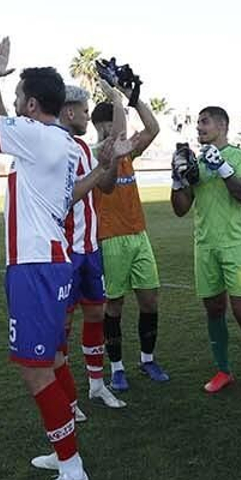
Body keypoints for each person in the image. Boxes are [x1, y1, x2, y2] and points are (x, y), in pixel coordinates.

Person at [0, 25, 120, 480]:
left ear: (31, 106)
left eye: (19, 97)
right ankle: (63, 442)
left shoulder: (36, 139)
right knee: (48, 363)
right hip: (47, 260)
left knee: (34, 370)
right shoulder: (57, 143)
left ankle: (73, 471)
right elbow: (64, 192)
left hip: (35, 266)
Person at [171, 106, 241, 397]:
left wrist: (223, 167)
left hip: (236, 245)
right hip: (205, 246)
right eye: (197, 123)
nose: (199, 127)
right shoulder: (197, 162)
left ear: (222, 125)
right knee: (214, 309)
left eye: (204, 122)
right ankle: (223, 370)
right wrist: (177, 178)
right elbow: (180, 209)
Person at [90, 86, 168, 390]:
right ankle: (117, 367)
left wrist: (131, 98)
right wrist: (117, 101)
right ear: (104, 126)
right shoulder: (97, 154)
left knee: (150, 300)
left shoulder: (127, 154)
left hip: (138, 234)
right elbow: (120, 135)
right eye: (116, 120)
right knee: (115, 305)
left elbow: (153, 128)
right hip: (110, 238)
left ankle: (148, 359)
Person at [57, 86, 126, 410]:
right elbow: (64, 196)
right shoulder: (55, 147)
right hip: (65, 251)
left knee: (96, 313)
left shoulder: (84, 147)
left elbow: (107, 186)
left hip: (89, 249)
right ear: (69, 112)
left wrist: (111, 159)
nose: (88, 116)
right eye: (85, 111)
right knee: (63, 325)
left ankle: (96, 385)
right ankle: (66, 398)